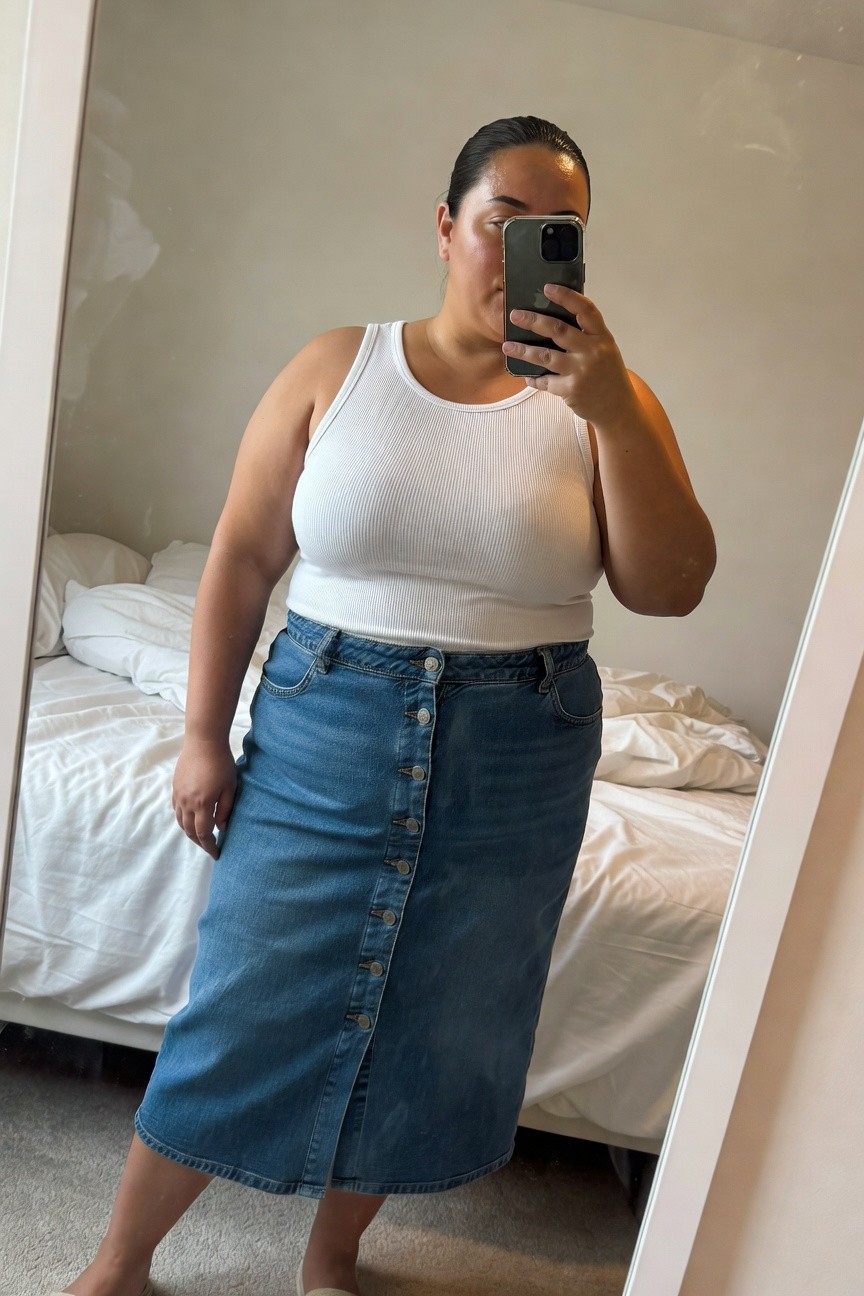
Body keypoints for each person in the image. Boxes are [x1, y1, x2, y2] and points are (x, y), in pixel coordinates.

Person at [57, 115, 715, 1296]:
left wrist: (611, 407)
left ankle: (332, 1258)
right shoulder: (336, 366)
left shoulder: (610, 400)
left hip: (521, 744)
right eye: (501, 219)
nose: (520, 246)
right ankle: (119, 1263)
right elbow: (242, 561)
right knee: (246, 997)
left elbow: (670, 587)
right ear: (447, 225)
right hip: (328, 716)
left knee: (439, 1021)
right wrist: (204, 737)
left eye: (555, 230)